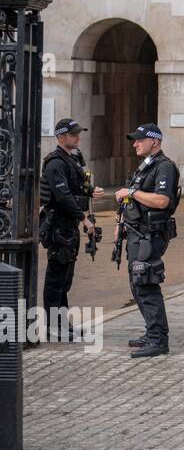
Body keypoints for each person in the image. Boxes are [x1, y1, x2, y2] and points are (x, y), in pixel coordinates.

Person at [114, 123, 181, 358]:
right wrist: (120, 226)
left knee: (146, 283)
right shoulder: (144, 168)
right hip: (136, 232)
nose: (135, 144)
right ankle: (152, 331)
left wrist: (131, 193)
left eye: (139, 140)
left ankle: (158, 339)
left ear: (154, 141)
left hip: (150, 234)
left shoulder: (164, 167)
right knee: (137, 284)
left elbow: (162, 201)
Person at [38, 118, 102, 341]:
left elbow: (75, 188)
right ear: (60, 137)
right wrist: (84, 218)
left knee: (65, 278)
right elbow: (62, 196)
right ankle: (52, 327)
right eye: (73, 134)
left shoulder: (71, 159)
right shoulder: (55, 162)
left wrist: (90, 192)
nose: (77, 137)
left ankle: (63, 323)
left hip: (68, 227)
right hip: (59, 226)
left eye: (78, 133)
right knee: (56, 278)